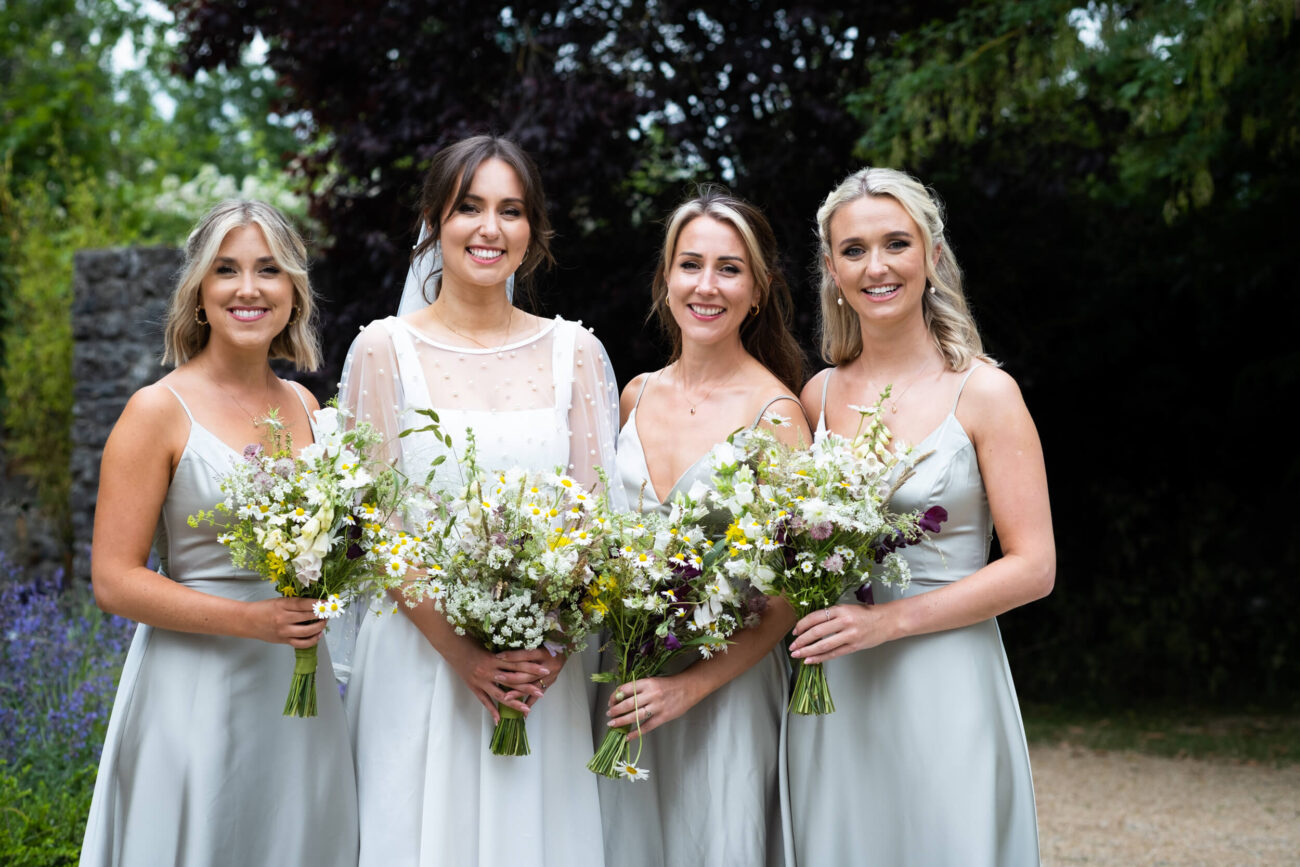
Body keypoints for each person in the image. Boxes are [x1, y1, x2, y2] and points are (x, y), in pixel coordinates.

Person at [338, 134, 620, 867]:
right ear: (434, 221)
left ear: (534, 232)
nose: (489, 228)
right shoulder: (381, 349)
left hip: (537, 674)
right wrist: (463, 653)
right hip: (419, 662)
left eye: (511, 210)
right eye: (469, 207)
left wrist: (549, 648)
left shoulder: (576, 354)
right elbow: (379, 525)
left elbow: (595, 518)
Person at [786, 167, 1055, 865]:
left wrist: (887, 621)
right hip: (835, 690)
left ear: (932, 256)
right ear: (831, 269)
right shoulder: (815, 397)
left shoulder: (986, 393)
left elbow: (1034, 567)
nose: (876, 266)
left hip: (946, 677)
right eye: (854, 250)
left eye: (896, 243)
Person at [80, 200, 358, 866]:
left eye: (269, 269)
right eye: (226, 270)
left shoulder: (310, 408)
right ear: (200, 293)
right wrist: (252, 619)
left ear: (292, 290)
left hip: (299, 695)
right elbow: (114, 580)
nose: (248, 288)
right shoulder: (156, 411)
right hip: (194, 690)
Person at [598, 188, 811, 867]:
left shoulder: (776, 415)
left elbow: (788, 594)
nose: (706, 285)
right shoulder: (634, 394)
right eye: (690, 265)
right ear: (665, 281)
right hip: (623, 680)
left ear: (759, 290)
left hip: (725, 694)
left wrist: (686, 687)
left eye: (730, 268)